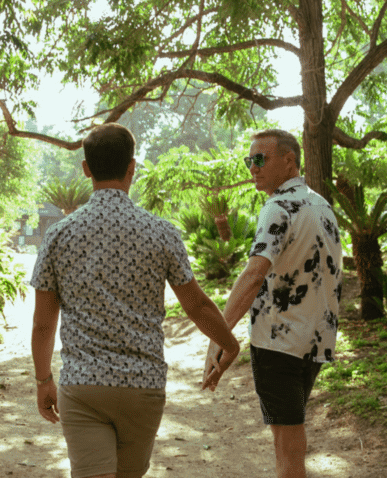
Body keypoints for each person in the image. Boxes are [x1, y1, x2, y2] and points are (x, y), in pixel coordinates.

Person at [30, 122, 240, 478]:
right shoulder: (162, 232)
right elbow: (197, 305)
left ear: (86, 168)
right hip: (142, 387)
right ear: (132, 167)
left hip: (83, 386)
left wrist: (42, 380)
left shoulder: (58, 234)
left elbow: (43, 323)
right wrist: (229, 345)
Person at [204, 129, 342, 478]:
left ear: (289, 160)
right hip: (314, 343)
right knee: (291, 438)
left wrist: (219, 334)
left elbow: (254, 275)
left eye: (260, 159)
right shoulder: (321, 205)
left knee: (287, 447)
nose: (253, 167)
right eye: (249, 160)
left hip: (278, 344)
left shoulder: (277, 208)